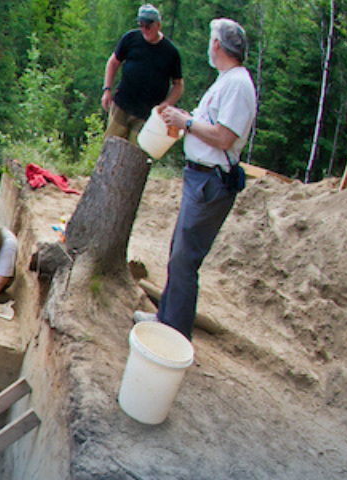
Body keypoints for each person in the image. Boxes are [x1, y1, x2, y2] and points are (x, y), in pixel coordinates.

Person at [137, 18, 258, 337]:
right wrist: (186, 120)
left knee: (184, 259)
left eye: (211, 39)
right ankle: (167, 319)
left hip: (211, 182)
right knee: (179, 253)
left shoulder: (237, 84)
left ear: (217, 44)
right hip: (202, 179)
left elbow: (223, 137)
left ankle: (173, 332)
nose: (209, 45)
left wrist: (186, 122)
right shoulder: (228, 80)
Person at [101, 5, 184, 140]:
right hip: (122, 105)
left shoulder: (170, 52)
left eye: (148, 26)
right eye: (141, 25)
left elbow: (178, 84)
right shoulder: (130, 38)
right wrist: (107, 89)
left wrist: (167, 103)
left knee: (136, 153)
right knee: (111, 145)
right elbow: (113, 62)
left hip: (146, 114)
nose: (144, 30)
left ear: (158, 25)